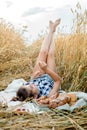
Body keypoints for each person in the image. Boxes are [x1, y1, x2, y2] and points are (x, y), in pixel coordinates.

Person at [15, 18, 62, 101]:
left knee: (43, 52)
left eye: (28, 85)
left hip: (38, 76)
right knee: (50, 55)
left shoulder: (27, 87)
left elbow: (31, 81)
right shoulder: (47, 95)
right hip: (51, 78)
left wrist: (33, 77)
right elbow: (58, 81)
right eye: (31, 87)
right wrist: (46, 69)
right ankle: (53, 32)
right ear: (35, 96)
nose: (32, 84)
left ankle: (51, 30)